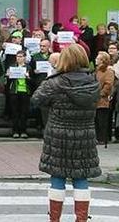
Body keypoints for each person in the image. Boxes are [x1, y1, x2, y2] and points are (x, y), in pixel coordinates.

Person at [32, 44, 100, 222]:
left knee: (57, 176)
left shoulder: (55, 82)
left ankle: (54, 219)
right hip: (85, 134)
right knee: (81, 177)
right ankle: (81, 219)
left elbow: (36, 100)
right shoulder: (93, 82)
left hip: (58, 134)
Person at [5, 50, 32, 139]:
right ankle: (15, 131)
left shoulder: (28, 67)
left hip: (25, 91)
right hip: (14, 91)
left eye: (20, 56)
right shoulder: (12, 66)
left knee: (24, 112)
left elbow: (32, 81)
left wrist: (28, 77)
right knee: (15, 112)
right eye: (17, 56)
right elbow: (8, 81)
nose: (18, 58)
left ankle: (23, 131)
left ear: (24, 57)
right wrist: (8, 75)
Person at [94, 52, 114, 146]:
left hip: (102, 100)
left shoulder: (108, 71)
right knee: (97, 120)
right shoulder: (96, 71)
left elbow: (108, 84)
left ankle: (103, 138)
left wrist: (102, 93)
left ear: (103, 60)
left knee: (102, 120)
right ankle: (98, 137)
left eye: (98, 58)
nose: (96, 60)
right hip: (95, 99)